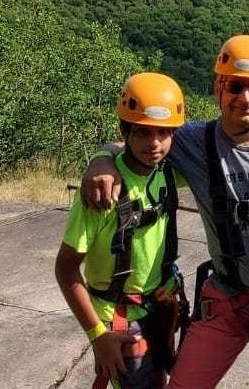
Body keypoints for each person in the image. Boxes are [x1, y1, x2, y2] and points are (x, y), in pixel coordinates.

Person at [80, 35, 249, 389]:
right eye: (234, 86)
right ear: (218, 86)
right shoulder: (194, 141)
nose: (244, 98)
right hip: (227, 298)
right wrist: (101, 160)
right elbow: (141, 139)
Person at [55, 72, 188, 389]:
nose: (154, 143)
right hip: (118, 317)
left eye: (162, 133)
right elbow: (66, 268)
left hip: (159, 304)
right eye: (142, 132)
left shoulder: (166, 174)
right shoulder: (102, 194)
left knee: (160, 378)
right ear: (125, 130)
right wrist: (98, 336)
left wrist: (103, 153)